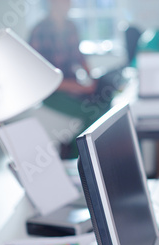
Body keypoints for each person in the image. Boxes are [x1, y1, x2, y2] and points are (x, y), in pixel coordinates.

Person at [29, 0, 116, 158]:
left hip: (73, 86)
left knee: (106, 103)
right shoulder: (39, 31)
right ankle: (76, 156)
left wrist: (92, 79)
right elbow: (40, 76)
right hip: (52, 93)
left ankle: (90, 151)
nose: (68, 4)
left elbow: (78, 57)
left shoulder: (70, 27)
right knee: (93, 113)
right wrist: (78, 87)